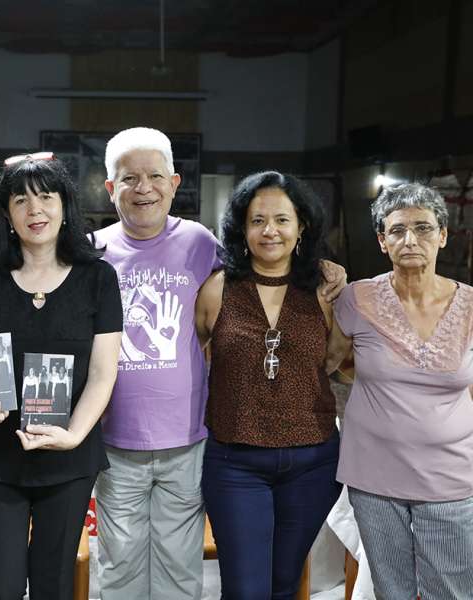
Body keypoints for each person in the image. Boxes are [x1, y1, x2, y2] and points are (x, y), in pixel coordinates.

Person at [0, 128, 347, 600]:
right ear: (109, 188)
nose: (144, 188)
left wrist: (322, 268)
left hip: (188, 440)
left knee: (179, 572)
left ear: (175, 182)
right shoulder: (88, 254)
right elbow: (21, 274)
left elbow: (264, 264)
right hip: (115, 439)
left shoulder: (203, 245)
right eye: (129, 178)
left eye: (155, 176)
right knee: (118, 567)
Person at [0, 153, 122, 600]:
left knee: (55, 585)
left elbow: (105, 373)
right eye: (20, 201)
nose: (35, 211)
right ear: (6, 214)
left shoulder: (98, 278)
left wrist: (73, 435)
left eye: (46, 198)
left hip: (70, 458)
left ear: (65, 205)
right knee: (1, 587)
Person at [195, 171, 342, 598]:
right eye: (257, 220)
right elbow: (193, 360)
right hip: (234, 461)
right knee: (244, 589)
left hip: (312, 461)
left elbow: (334, 361)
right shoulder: (218, 289)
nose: (269, 231)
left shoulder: (325, 291)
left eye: (282, 219)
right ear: (242, 227)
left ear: (302, 227)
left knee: (284, 584)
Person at [328, 183, 473, 598]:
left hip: (450, 477)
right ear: (382, 240)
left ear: (442, 236)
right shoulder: (358, 298)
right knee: (391, 590)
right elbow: (332, 364)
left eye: (424, 228)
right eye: (397, 230)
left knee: (453, 590)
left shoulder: (470, 306)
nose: (411, 240)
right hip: (374, 476)